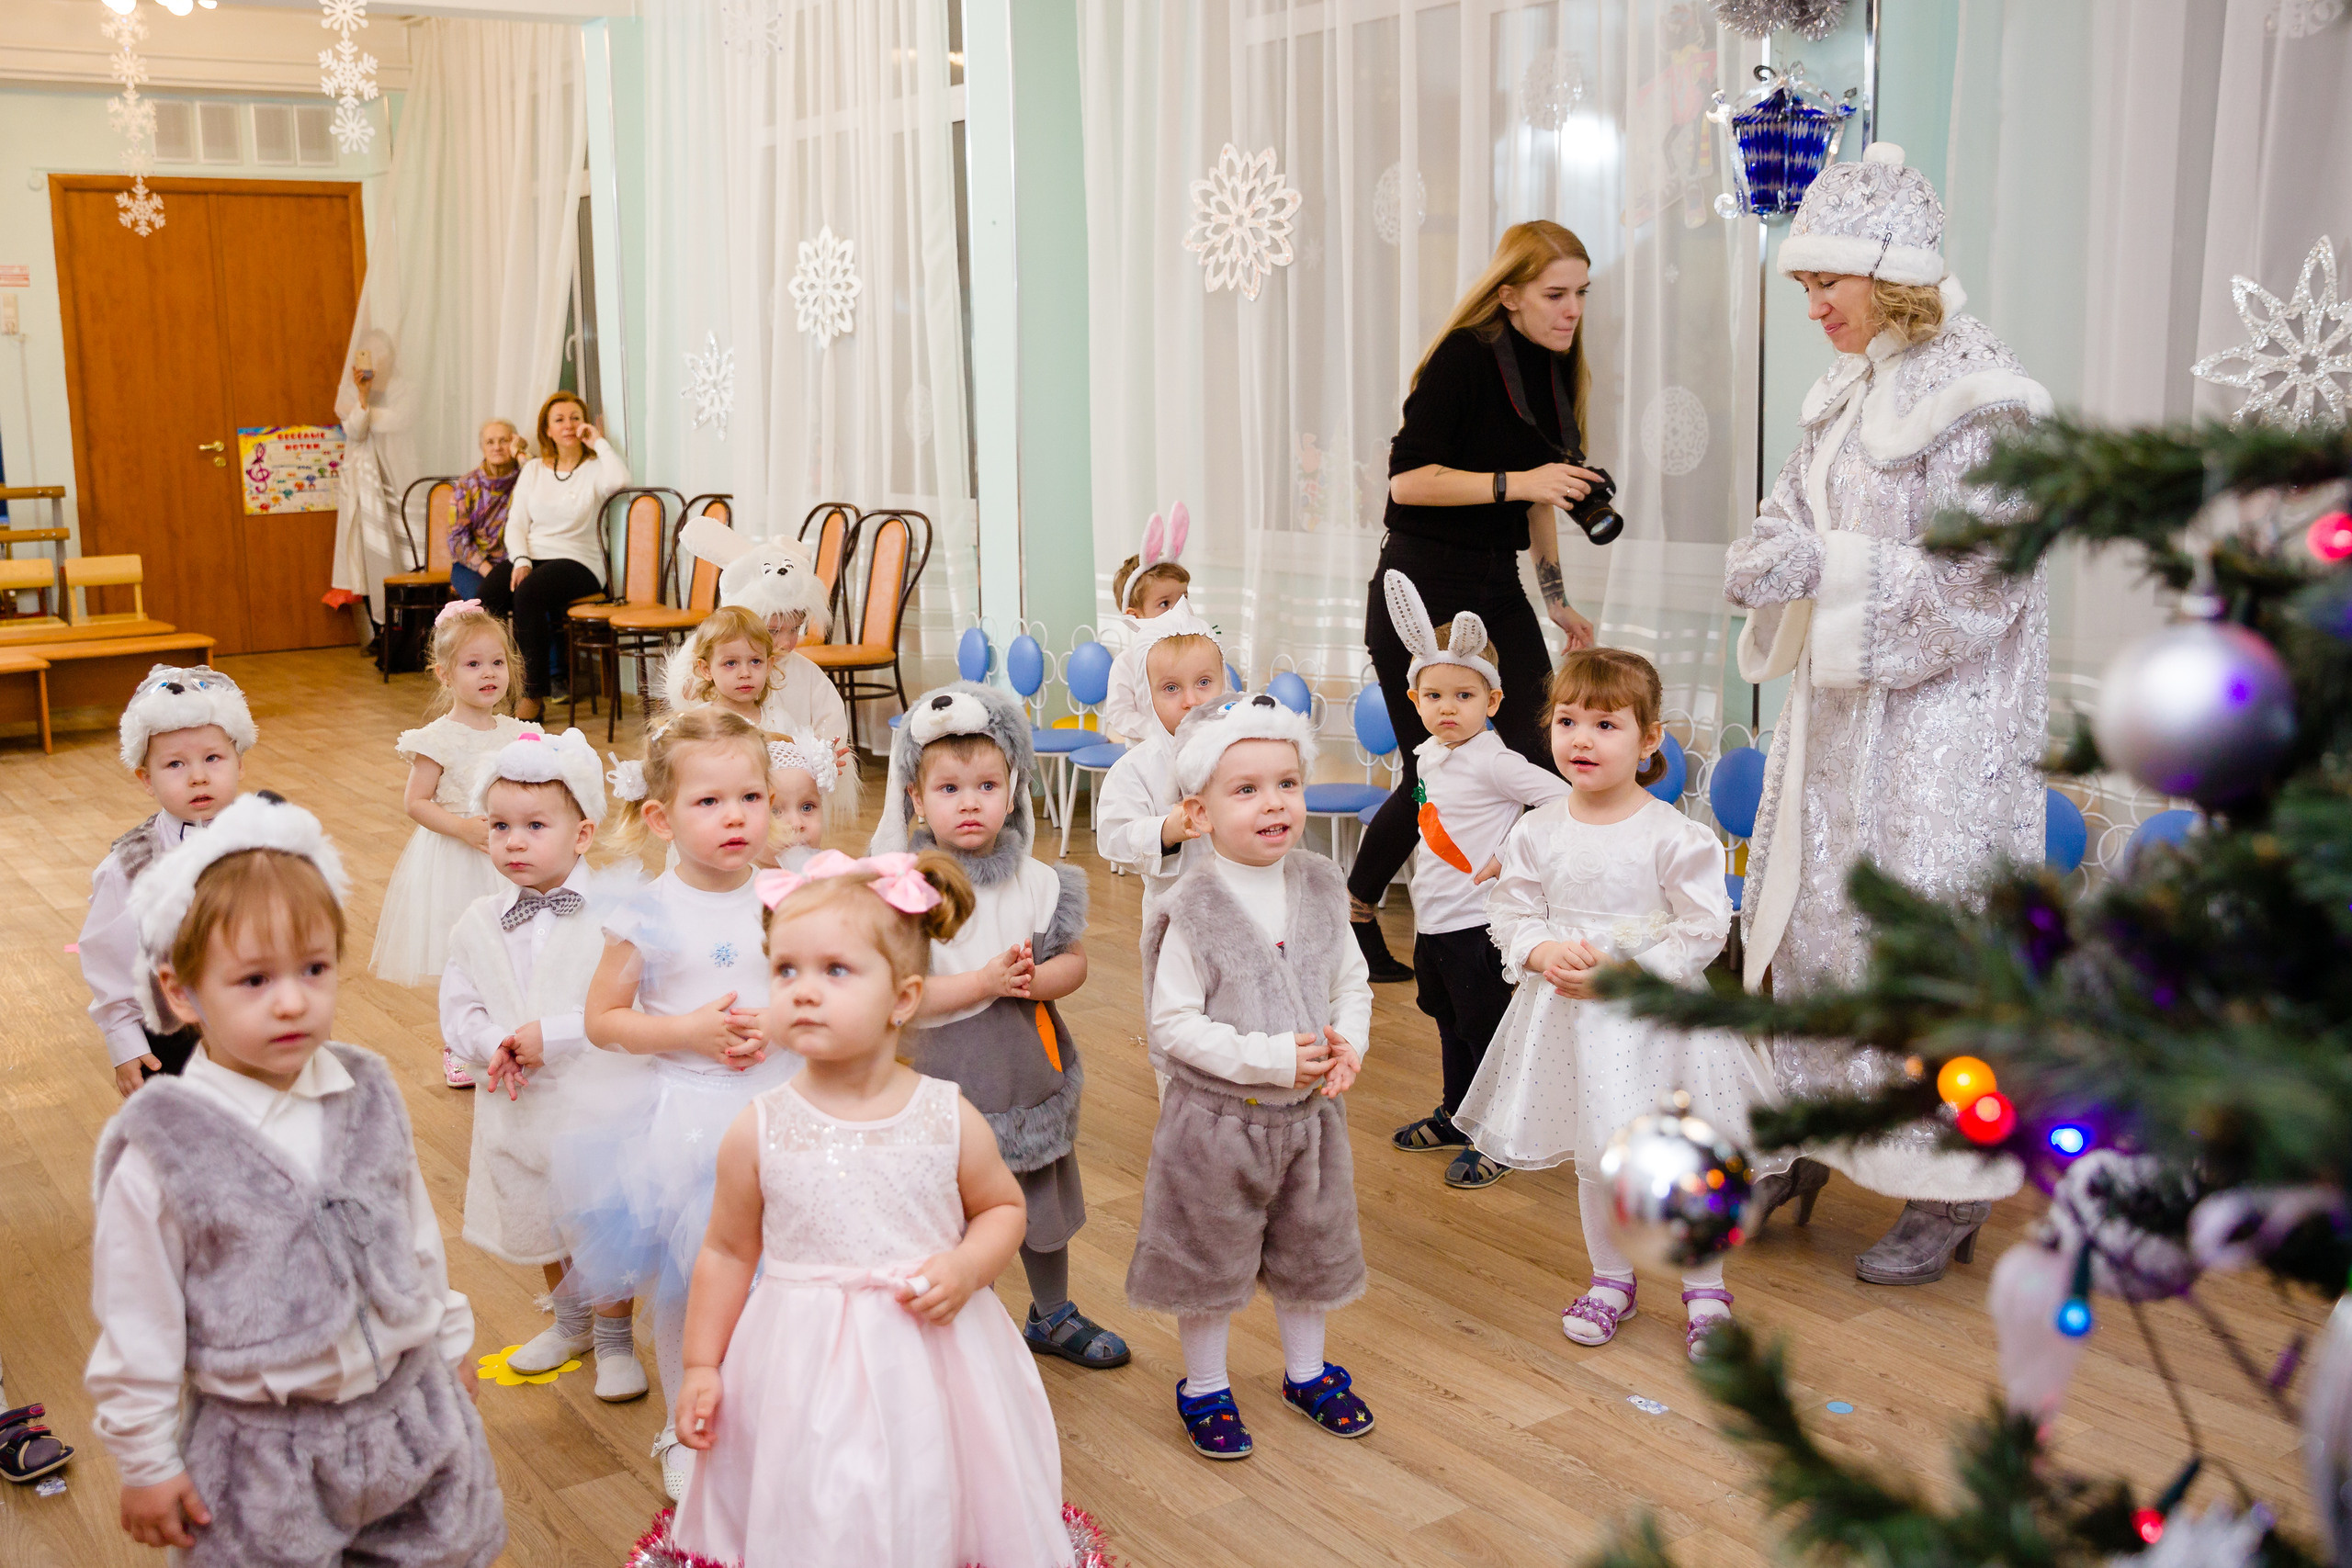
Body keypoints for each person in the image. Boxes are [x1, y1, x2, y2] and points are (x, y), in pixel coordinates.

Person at [1723, 143, 2051, 1287]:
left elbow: (1980, 580)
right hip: (1837, 725)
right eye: (1801, 288)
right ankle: (1806, 1135)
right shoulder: (1847, 391)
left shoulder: (1986, 398)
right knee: (1813, 924)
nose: (1811, 307)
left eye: (1826, 286)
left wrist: (1829, 563)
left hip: (1942, 733)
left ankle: (1943, 1186)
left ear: (1890, 273)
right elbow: (1792, 508)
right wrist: (1771, 554)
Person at [85, 793, 503, 1565]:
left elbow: (409, 1230)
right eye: (253, 979)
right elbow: (138, 1316)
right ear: (181, 993)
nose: (292, 1000)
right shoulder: (164, 1149)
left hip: (408, 1415)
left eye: (314, 968)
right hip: (263, 1449)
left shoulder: (366, 1088)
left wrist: (446, 1337)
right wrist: (147, 1459)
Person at [658, 851, 1076, 1568]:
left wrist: (970, 1265)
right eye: (786, 970)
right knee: (817, 1505)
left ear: (904, 997)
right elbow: (728, 1251)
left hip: (933, 1360)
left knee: (930, 1498)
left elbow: (1004, 1207)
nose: (804, 991)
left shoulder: (947, 1115)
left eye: (836, 970)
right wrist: (701, 1362)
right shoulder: (758, 1127)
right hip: (799, 1368)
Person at [1453, 650, 1775, 1359]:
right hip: (1569, 1021)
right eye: (1568, 721)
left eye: (1606, 723)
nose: (1582, 739)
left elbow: (1702, 928)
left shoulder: (1673, 835)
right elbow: (1511, 912)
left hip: (1657, 1024)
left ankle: (1705, 1286)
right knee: (1597, 1155)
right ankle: (1610, 1279)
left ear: (1649, 739)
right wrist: (1538, 951)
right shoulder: (1536, 830)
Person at [1351, 220, 1606, 985]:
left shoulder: (1555, 371)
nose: (1572, 311)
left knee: (1538, 755)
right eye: (1555, 295)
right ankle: (1359, 911)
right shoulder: (1464, 360)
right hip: (1422, 580)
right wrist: (1520, 482)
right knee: (1433, 771)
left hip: (1498, 581)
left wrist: (1556, 598)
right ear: (1509, 295)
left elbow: (1542, 495)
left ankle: (1516, 923)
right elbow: (1406, 483)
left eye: (1581, 295)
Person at [558, 708, 797, 1501]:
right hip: (689, 1125)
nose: (736, 817)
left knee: (786, 1277)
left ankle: (783, 1417)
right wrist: (687, 1029)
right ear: (659, 817)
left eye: (752, 796)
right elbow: (602, 1020)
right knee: (690, 1282)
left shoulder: (788, 894)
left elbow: (828, 980)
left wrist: (786, 1014)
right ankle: (683, 1422)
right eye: (709, 802)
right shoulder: (646, 911)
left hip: (786, 1108)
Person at [1130, 694, 1375, 1461]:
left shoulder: (1321, 885)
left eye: (1287, 784)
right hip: (1215, 1125)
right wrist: (1270, 1059)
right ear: (1198, 813)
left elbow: (1352, 984)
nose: (1273, 802)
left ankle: (1306, 1371)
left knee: (1313, 1249)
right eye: (1247, 790)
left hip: (1309, 1121)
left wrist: (1350, 1044)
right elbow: (1172, 1025)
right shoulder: (1192, 906)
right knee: (1209, 1257)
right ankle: (1203, 1384)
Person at [873, 682, 1129, 1371]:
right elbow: (898, 997)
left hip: (1026, 1073)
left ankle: (1052, 1313)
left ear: (1012, 789)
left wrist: (1037, 981)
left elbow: (1072, 963)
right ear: (917, 799)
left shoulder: (1037, 880)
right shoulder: (907, 887)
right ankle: (961, 1321)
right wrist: (982, 983)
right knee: (948, 1206)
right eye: (950, 788)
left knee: (1038, 1199)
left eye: (986, 784)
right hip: (942, 1079)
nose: (970, 801)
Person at [440, 728, 647, 1402]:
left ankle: (616, 1338)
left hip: (593, 1096)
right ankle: (569, 1321)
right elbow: (459, 1000)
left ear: (582, 835)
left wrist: (549, 1033)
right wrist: (490, 1038)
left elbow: (630, 1001)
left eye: (534, 825)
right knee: (544, 1218)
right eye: (500, 826)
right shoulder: (477, 918)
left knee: (597, 1217)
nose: (514, 841)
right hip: (518, 1099)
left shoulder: (612, 915)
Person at [1375, 571, 1568, 1190]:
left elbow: (1561, 800)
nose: (1447, 708)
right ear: (1415, 702)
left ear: (1492, 702)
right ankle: (1459, 1113)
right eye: (1434, 696)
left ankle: (1501, 1135)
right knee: (1447, 1021)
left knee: (1489, 1033)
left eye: (1464, 695)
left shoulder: (1495, 758)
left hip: (1479, 923)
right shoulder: (1430, 755)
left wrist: (1514, 853)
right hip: (1433, 919)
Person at [371, 603, 534, 1088]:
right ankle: (458, 1045)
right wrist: (462, 828)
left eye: (498, 663)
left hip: (509, 856)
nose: (489, 674)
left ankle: (510, 1035)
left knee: (512, 948)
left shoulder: (519, 733)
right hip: (458, 860)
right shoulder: (437, 739)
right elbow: (416, 802)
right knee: (462, 954)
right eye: (473, 664)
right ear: (444, 674)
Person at [82, 666, 258, 1097]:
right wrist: (123, 1039)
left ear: (238, 760)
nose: (198, 776)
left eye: (212, 758)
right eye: (175, 764)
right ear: (147, 779)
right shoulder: (130, 864)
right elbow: (109, 954)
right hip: (173, 1033)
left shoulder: (268, 839)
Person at [489, 391, 633, 721]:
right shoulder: (534, 469)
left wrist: (599, 442)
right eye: (559, 419)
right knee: (487, 597)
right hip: (534, 555)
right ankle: (493, 687)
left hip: (579, 561)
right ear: (548, 430)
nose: (568, 425)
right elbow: (516, 525)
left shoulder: (596, 468)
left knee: (528, 594)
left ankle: (532, 695)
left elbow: (622, 481)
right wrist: (522, 559)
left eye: (575, 417)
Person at [1098, 503, 1205, 744]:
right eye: (1165, 603)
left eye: (1184, 598)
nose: (1180, 610)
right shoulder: (1127, 663)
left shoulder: (1200, 654)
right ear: (1135, 616)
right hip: (1147, 758)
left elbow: (1220, 694)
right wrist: (1156, 731)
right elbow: (1119, 713)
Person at [447, 418, 523, 604]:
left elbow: (544, 480)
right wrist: (490, 572)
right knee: (484, 601)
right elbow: (457, 541)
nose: (497, 447)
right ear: (482, 447)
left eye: (504, 441)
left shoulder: (527, 477)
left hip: (517, 563)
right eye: (490, 442)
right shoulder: (467, 485)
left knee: (533, 600)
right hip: (473, 566)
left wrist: (521, 452)